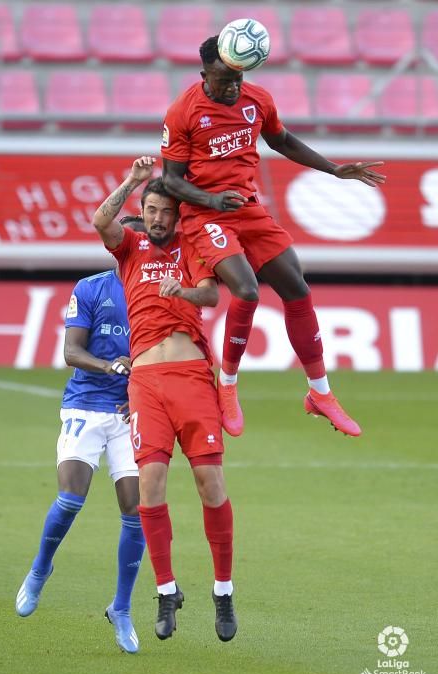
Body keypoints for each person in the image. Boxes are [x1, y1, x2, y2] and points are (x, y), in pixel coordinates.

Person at [161, 36, 387, 439]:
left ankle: (320, 394)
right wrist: (212, 198)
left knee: (297, 290)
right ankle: (227, 385)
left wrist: (334, 169)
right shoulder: (184, 111)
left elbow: (281, 140)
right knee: (247, 290)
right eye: (223, 79)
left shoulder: (257, 100)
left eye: (237, 78)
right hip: (205, 214)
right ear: (204, 75)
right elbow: (171, 182)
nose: (231, 87)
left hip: (247, 207)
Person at [92, 156, 238, 644]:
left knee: (209, 482)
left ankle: (222, 589)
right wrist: (131, 180)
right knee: (149, 487)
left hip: (191, 376)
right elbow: (101, 221)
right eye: (150, 209)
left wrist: (185, 293)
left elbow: (212, 296)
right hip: (146, 383)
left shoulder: (191, 246)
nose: (157, 218)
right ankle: (166, 589)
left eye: (164, 211)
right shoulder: (129, 248)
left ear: (177, 215)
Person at [15, 264, 145, 655]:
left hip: (130, 411)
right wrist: (110, 366)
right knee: (71, 498)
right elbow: (71, 351)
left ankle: (121, 608)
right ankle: (40, 568)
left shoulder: (158, 288)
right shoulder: (92, 288)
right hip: (86, 404)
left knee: (136, 509)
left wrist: (141, 388)